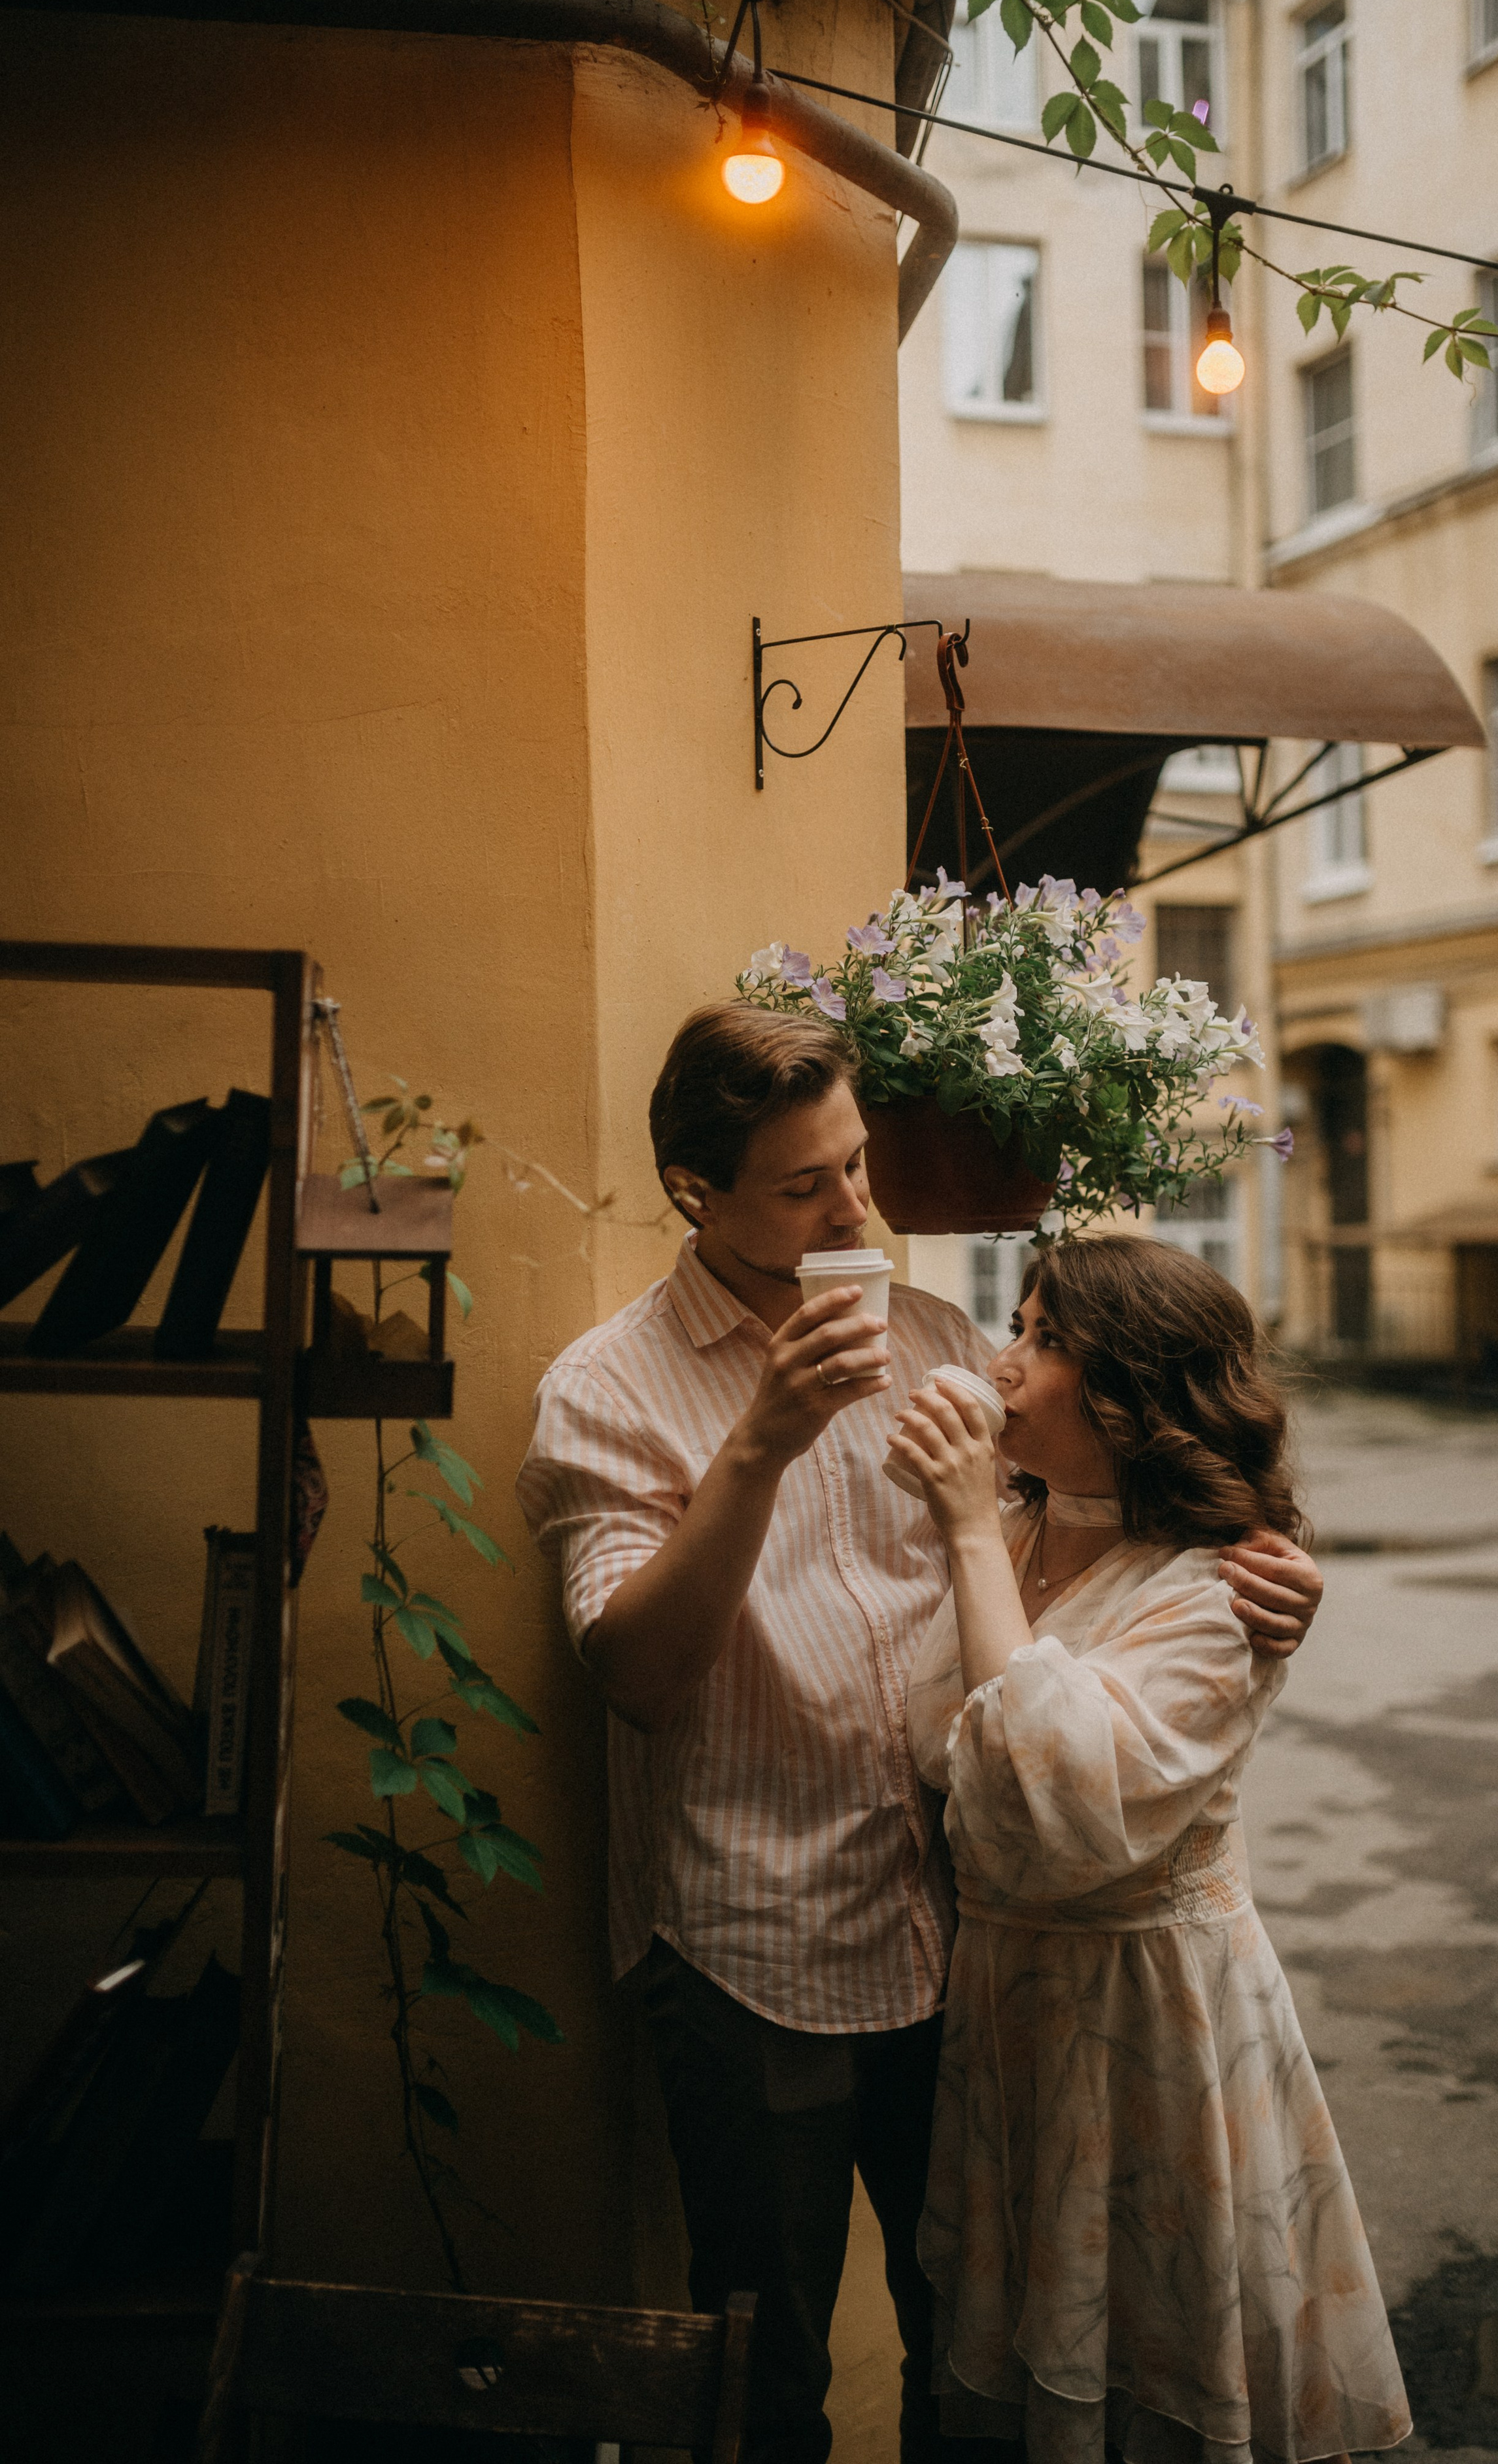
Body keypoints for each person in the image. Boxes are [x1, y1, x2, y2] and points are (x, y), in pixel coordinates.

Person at [515, 1003, 1327, 2464]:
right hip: (752, 1940)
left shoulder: (935, 1336)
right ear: (697, 1192)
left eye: (858, 1164)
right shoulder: (606, 1386)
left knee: (977, 2341)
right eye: (803, 1185)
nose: (855, 1212)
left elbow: (1080, 1553)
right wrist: (757, 1442)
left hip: (967, 1937)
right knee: (763, 2364)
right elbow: (633, 1674)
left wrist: (1266, 1562)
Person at [893, 1233, 1410, 2464]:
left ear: (1133, 1398)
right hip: (1010, 2013)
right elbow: (938, 1744)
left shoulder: (1220, 1586)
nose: (1003, 1363)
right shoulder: (1026, 1531)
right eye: (1013, 1327)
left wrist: (965, 1530)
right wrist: (982, 1528)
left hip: (1148, 2025)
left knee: (1149, 2359)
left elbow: (1052, 1812)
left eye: (1044, 1340)